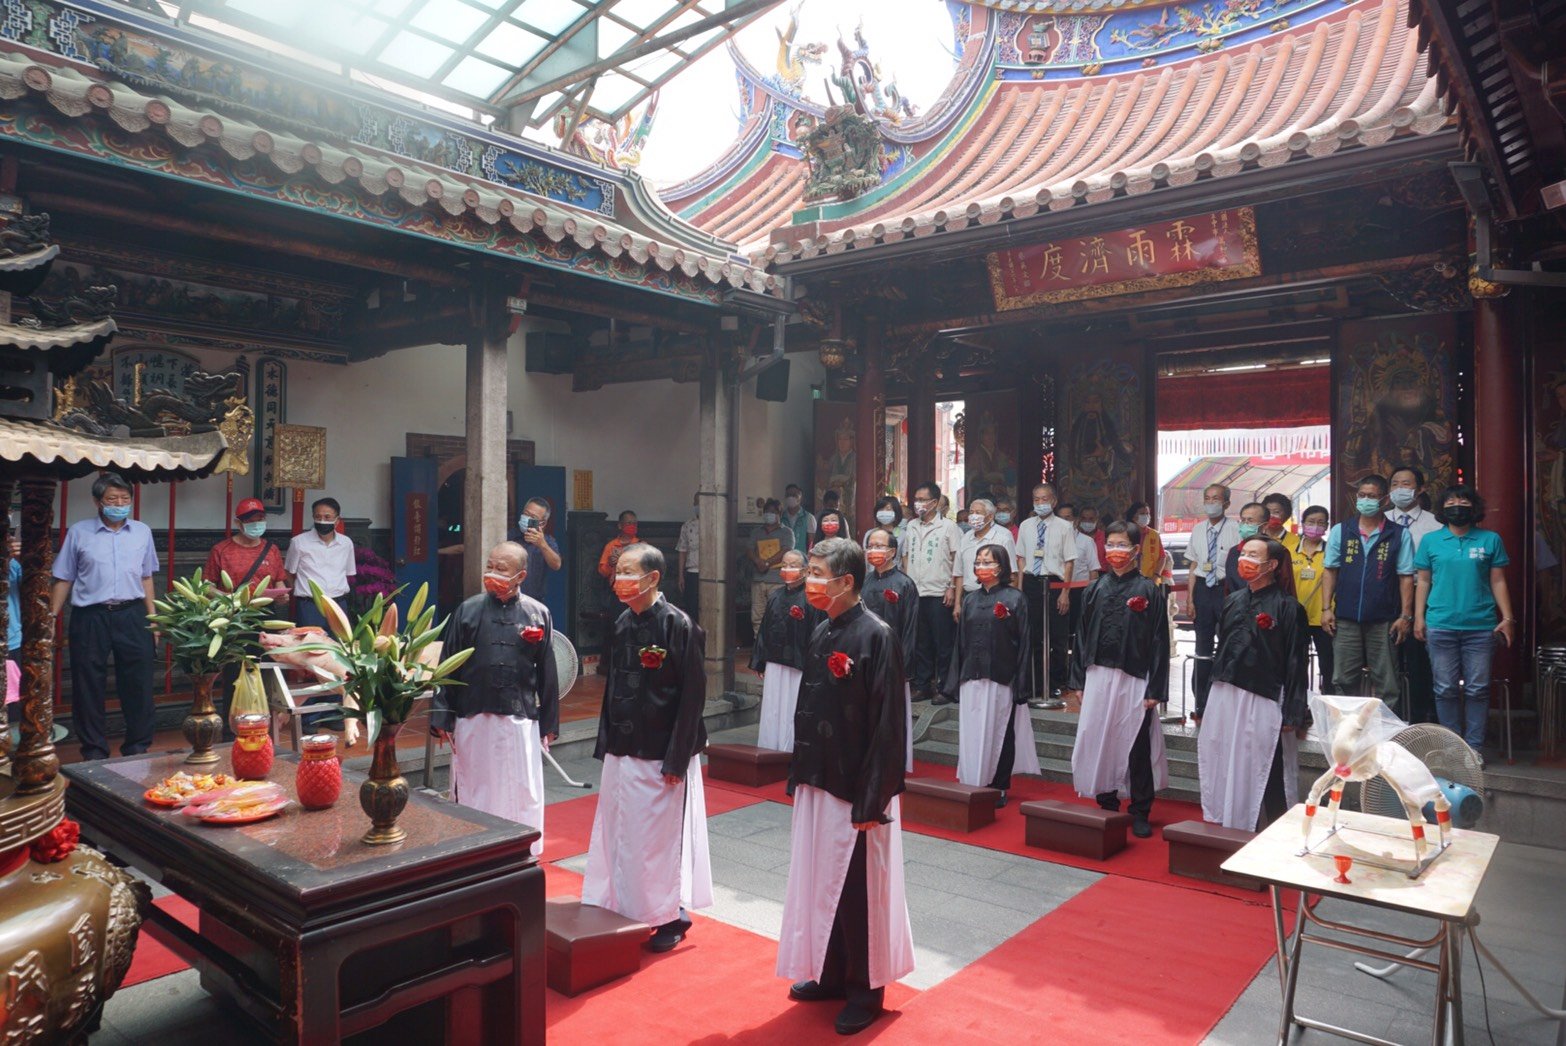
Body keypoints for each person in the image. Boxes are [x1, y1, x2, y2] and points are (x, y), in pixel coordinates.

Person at [778, 537, 914, 1036]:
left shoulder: (877, 637)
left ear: (846, 582)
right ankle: (830, 971)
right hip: (820, 778)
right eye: (810, 570)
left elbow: (888, 726)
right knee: (821, 881)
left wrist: (872, 796)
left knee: (858, 890)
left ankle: (865, 987)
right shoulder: (820, 632)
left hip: (857, 788)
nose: (809, 580)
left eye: (817, 572)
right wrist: (800, 772)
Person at [583, 543, 712, 952]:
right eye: (617, 572)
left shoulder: (680, 626)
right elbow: (613, 688)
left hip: (660, 750)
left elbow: (692, 697)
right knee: (620, 831)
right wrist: (606, 743)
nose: (619, 580)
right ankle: (625, 905)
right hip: (623, 745)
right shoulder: (621, 622)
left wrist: (677, 757)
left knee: (655, 838)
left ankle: (671, 916)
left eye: (627, 572)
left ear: (653, 578)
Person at [431, 541, 560, 857]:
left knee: (521, 787)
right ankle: (471, 848)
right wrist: (441, 718)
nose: (492, 574)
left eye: (501, 569)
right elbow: (447, 666)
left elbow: (547, 672)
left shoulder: (538, 613)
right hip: (473, 715)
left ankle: (521, 848)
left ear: (521, 575)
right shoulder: (468, 610)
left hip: (520, 718)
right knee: (475, 785)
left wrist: (549, 723)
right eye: (490, 566)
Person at [1198, 537, 1310, 831]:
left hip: (1264, 694)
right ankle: (1229, 819)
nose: (1244, 560)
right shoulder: (1233, 600)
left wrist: (1294, 711)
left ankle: (1275, 828)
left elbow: (1297, 662)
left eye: (1253, 555)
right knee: (1223, 754)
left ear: (1271, 565)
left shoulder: (1288, 607)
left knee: (1265, 764)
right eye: (1243, 553)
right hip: (1227, 690)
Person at [1068, 521, 1170, 838]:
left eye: (1122, 545)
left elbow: (1159, 643)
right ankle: (1107, 797)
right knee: (1101, 735)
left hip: (1134, 677)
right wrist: (1078, 681)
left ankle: (1140, 808)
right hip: (1098, 673)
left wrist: (1156, 689)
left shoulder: (1148, 591)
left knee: (1136, 741)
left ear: (1136, 550)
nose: (1115, 551)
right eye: (1110, 544)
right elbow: (1081, 637)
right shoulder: (1094, 589)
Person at [50, 473, 159, 761]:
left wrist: (155, 618)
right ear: (97, 502)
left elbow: (146, 577)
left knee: (138, 683)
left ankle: (137, 747)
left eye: (125, 499)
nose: (120, 504)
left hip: (133, 614)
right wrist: (50, 617)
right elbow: (63, 578)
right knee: (87, 685)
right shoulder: (79, 532)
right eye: (112, 499)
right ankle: (94, 751)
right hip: (90, 616)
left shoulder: (142, 532)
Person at [1415, 486, 1514, 756]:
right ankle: (1452, 750)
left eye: (1462, 500)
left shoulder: (1490, 539)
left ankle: (1473, 749)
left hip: (1481, 626)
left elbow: (1498, 580)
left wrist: (1507, 618)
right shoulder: (1430, 541)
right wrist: (1419, 617)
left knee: (1478, 689)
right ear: (1442, 508)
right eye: (1450, 500)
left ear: (1474, 506)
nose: (1456, 504)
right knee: (1445, 688)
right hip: (1440, 624)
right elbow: (1423, 580)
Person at [944, 545, 1041, 804]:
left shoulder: (1015, 598)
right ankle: (972, 780)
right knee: (972, 732)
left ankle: (998, 785)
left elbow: (1025, 643)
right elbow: (960, 642)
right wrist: (955, 679)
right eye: (978, 561)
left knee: (1000, 731)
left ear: (1001, 566)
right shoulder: (970, 599)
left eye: (987, 561)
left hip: (1001, 676)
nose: (981, 565)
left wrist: (1021, 683)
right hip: (971, 675)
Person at [1320, 475, 1413, 705]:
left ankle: (1383, 734)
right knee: (1342, 679)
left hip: (1384, 620)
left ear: (1384, 500)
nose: (1365, 500)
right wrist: (1325, 608)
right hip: (1346, 618)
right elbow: (1330, 571)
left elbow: (1405, 577)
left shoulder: (1399, 534)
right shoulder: (1342, 531)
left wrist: (1405, 615)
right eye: (1361, 495)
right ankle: (1346, 734)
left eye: (1372, 496)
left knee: (1387, 683)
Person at [205, 498, 287, 739]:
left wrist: (281, 595)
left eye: (260, 520)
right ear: (238, 523)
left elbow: (279, 580)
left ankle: (264, 731)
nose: (256, 525)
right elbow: (207, 586)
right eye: (251, 521)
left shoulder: (271, 549)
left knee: (266, 672)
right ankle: (233, 732)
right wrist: (227, 598)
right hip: (234, 618)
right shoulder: (221, 550)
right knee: (234, 673)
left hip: (266, 617)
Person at [751, 551, 822, 751]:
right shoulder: (775, 595)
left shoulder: (812, 597)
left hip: (799, 662)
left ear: (805, 570)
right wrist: (759, 660)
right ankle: (769, 745)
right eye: (784, 565)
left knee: (793, 706)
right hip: (774, 660)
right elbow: (764, 629)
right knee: (773, 705)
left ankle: (792, 748)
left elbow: (817, 632)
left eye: (793, 565)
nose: (787, 569)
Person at [861, 527, 919, 772]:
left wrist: (902, 664)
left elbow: (910, 627)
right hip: (865, 656)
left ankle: (893, 759)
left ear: (893, 551)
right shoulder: (863, 581)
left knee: (892, 712)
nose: (874, 551)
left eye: (879, 546)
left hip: (892, 659)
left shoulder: (904, 584)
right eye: (870, 546)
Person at [1015, 483, 1077, 709]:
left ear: (1054, 501)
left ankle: (1054, 683)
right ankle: (1033, 683)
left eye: (1044, 499)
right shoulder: (1025, 525)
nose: (1040, 503)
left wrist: (1065, 592)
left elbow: (1069, 561)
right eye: (1036, 499)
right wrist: (1020, 590)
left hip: (1054, 582)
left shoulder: (1064, 527)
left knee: (1057, 637)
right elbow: (1020, 558)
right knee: (1032, 635)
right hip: (1031, 582)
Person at [901, 482, 962, 705]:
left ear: (935, 503)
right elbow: (906, 555)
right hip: (916, 592)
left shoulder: (949, 527)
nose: (918, 503)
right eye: (916, 499)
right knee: (921, 643)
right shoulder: (911, 526)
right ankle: (923, 685)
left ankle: (946, 688)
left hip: (939, 592)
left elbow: (957, 559)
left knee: (943, 643)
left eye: (923, 499)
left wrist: (952, 587)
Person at [1388, 466, 1441, 722]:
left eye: (1406, 484)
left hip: (1424, 597)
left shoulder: (1436, 525)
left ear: (1420, 489)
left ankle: (1422, 719)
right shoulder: (1381, 521)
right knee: (1389, 663)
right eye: (1395, 484)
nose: (1399, 489)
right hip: (1388, 597)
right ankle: (1392, 719)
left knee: (1420, 662)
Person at [1187, 483, 1238, 724]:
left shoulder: (1236, 530)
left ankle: (1224, 698)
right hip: (1202, 592)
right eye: (1207, 498)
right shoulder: (1197, 530)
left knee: (1227, 644)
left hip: (1225, 590)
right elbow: (1193, 566)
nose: (1211, 502)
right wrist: (1190, 598)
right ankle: (1201, 700)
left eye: (1216, 498)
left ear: (1226, 503)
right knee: (1202, 647)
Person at [284, 497, 356, 631]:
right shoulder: (299, 542)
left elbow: (349, 572)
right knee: (311, 647)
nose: (322, 521)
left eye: (328, 517)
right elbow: (289, 572)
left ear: (337, 520)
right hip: (310, 606)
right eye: (318, 516)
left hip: (338, 603)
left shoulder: (346, 543)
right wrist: (300, 591)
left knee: (338, 646)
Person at [1291, 506, 1334, 695]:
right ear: (1303, 523)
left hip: (1325, 618)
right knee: (1297, 664)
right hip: (1296, 617)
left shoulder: (1332, 551)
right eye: (1311, 522)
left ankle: (1328, 707)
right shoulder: (1289, 551)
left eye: (1320, 523)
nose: (1315, 527)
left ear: (1327, 526)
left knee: (1329, 666)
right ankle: (1298, 707)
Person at [1056, 503, 1102, 668]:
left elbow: (1094, 572)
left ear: (1074, 520)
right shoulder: (1050, 539)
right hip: (1056, 592)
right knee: (1058, 635)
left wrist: (1092, 599)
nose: (1063, 521)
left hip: (1079, 593)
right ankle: (1059, 673)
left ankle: (1078, 671)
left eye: (1067, 517)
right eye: (1060, 518)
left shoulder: (1087, 541)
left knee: (1078, 635)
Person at [953, 498, 1020, 604]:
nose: (973, 516)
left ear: (990, 516)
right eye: (971, 512)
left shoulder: (1003, 536)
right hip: (969, 597)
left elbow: (1012, 574)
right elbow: (959, 574)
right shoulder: (965, 538)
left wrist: (1007, 602)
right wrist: (957, 604)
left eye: (978, 513)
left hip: (997, 597)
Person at [749, 498, 797, 635]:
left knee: (777, 614)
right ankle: (758, 644)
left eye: (772, 512)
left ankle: (775, 647)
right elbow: (749, 549)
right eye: (766, 511)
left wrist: (767, 563)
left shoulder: (787, 532)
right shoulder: (756, 532)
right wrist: (758, 561)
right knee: (757, 615)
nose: (768, 514)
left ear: (779, 514)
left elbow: (786, 550)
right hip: (758, 579)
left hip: (777, 581)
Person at [509, 497, 562, 604]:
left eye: (532, 517)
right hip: (509, 598)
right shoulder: (511, 535)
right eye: (526, 514)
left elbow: (556, 565)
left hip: (534, 601)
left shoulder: (547, 541)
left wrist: (542, 545)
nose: (527, 518)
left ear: (542, 523)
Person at [1223, 503, 1271, 595]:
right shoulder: (1234, 551)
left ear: (1265, 526)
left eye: (1250, 521)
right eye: (1243, 520)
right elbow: (1229, 585)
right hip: (1238, 605)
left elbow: (1285, 585)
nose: (1245, 525)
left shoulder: (1276, 551)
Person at [675, 493, 701, 621]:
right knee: (692, 607)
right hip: (692, 573)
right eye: (696, 502)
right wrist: (681, 575)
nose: (699, 505)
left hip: (711, 574)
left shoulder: (716, 524)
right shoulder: (687, 525)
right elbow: (682, 550)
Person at [1125, 501, 1166, 584]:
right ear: (1133, 516)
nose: (1146, 516)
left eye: (1147, 513)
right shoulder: (1125, 533)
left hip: (1151, 580)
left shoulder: (1154, 534)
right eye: (1142, 514)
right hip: (1128, 581)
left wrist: (1156, 575)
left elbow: (1162, 557)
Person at [595, 510, 640, 581]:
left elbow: (648, 568)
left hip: (635, 586)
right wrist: (610, 564)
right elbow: (603, 572)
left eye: (635, 524)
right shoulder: (611, 546)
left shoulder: (641, 545)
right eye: (629, 523)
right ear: (620, 526)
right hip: (617, 587)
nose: (632, 526)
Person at [781, 484, 817, 556]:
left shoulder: (808, 517)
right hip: (783, 559)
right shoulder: (780, 517)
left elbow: (812, 541)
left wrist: (809, 557)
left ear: (800, 497)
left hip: (801, 558)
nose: (791, 497)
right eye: (788, 495)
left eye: (794, 495)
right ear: (785, 497)